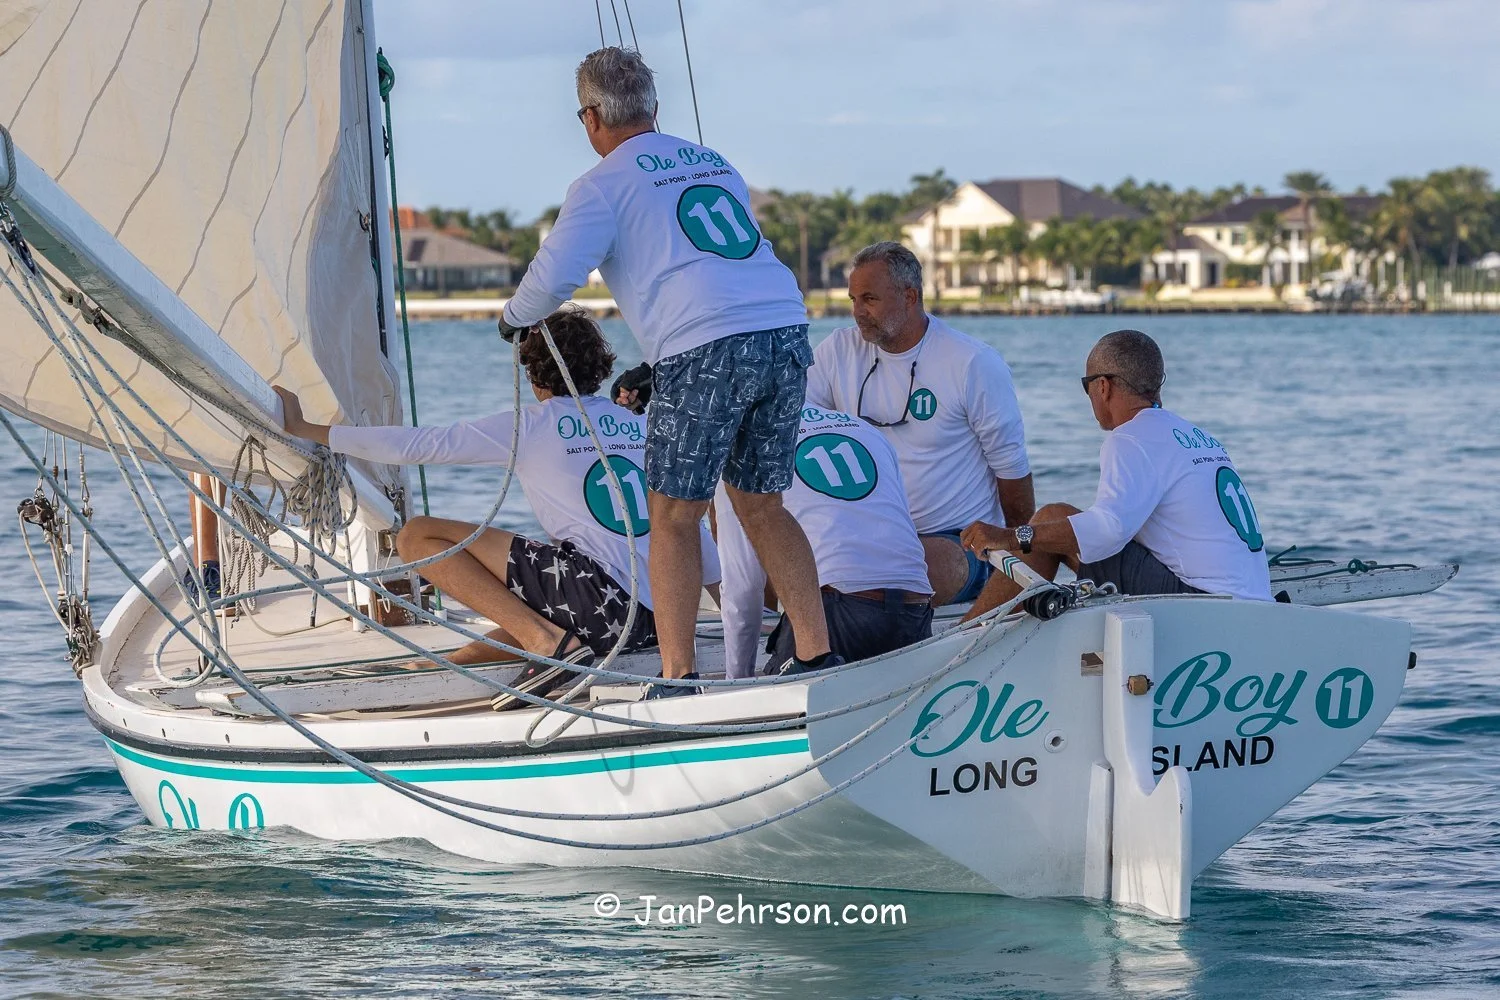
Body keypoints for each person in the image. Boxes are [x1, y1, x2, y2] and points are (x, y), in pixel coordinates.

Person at [497, 46, 833, 698]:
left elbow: (553, 276)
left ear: (591, 117)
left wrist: (514, 319)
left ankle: (678, 679)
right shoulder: (713, 162)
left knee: (674, 515)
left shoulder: (600, 185)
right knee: (763, 506)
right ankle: (818, 657)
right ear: (654, 107)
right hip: (784, 331)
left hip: (705, 349)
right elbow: (716, 269)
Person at [272, 309, 720, 710]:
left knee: (417, 535)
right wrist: (733, 611)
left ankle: (546, 643)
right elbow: (687, 530)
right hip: (659, 621)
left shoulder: (531, 426)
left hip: (600, 606)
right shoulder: (641, 425)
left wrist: (308, 428)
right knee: (528, 611)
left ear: (533, 375)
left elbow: (417, 445)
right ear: (599, 369)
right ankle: (460, 661)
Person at [959, 328, 1273, 615]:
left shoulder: (1131, 437)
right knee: (1061, 528)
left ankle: (965, 638)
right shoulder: (1197, 436)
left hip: (1206, 605)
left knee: (1050, 518)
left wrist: (1011, 537)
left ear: (1103, 386)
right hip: (1255, 601)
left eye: (1086, 386)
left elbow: (1109, 530)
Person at [805, 241, 1034, 606]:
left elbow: (1012, 471)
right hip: (865, 534)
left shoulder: (972, 362)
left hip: (956, 541)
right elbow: (794, 424)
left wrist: (1021, 561)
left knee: (906, 571)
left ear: (909, 296)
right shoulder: (838, 351)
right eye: (853, 300)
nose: (858, 312)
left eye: (869, 299)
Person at [714, 404, 933, 679]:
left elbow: (742, 588)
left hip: (836, 607)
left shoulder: (741, 445)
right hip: (914, 603)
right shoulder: (864, 429)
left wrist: (738, 680)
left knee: (781, 696)